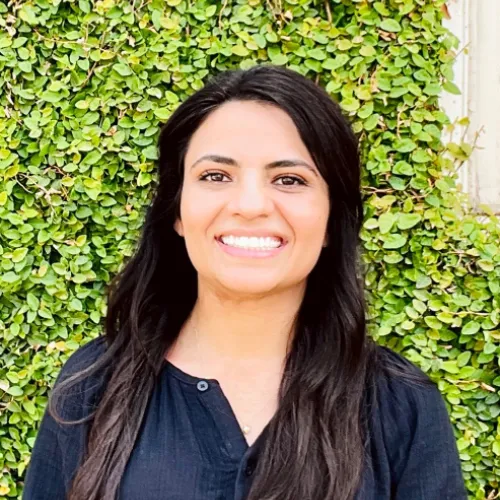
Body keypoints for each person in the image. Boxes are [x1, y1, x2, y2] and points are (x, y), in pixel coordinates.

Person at [22, 64, 467, 500]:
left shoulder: (401, 406)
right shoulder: (94, 385)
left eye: (289, 179)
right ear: (177, 210)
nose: (251, 204)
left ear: (333, 218)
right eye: (215, 176)